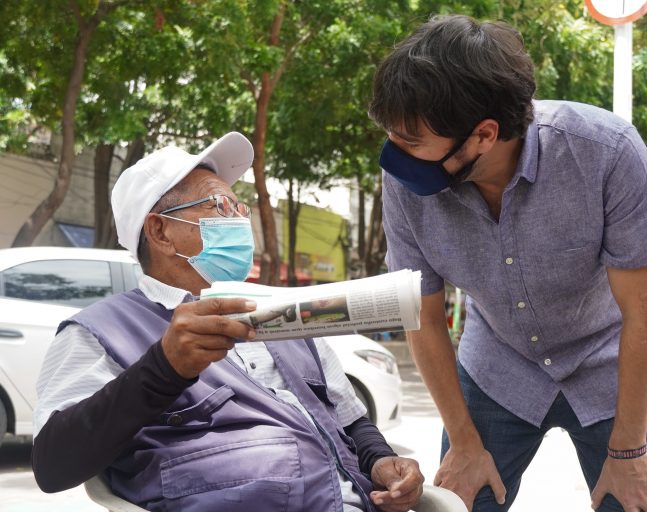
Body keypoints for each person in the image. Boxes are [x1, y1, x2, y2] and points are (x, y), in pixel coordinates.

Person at [368, 14, 647, 512]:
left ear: (484, 136)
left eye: (410, 141)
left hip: (610, 365)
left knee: (640, 502)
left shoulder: (607, 154)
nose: (393, 155)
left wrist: (628, 450)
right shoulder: (408, 186)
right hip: (496, 367)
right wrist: (464, 443)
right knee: (456, 505)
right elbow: (423, 319)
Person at [32, 132, 424, 512]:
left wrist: (380, 460)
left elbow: (348, 418)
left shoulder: (284, 311)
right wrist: (163, 369)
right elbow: (52, 466)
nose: (238, 220)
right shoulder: (100, 333)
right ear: (160, 231)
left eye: (240, 208)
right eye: (219, 206)